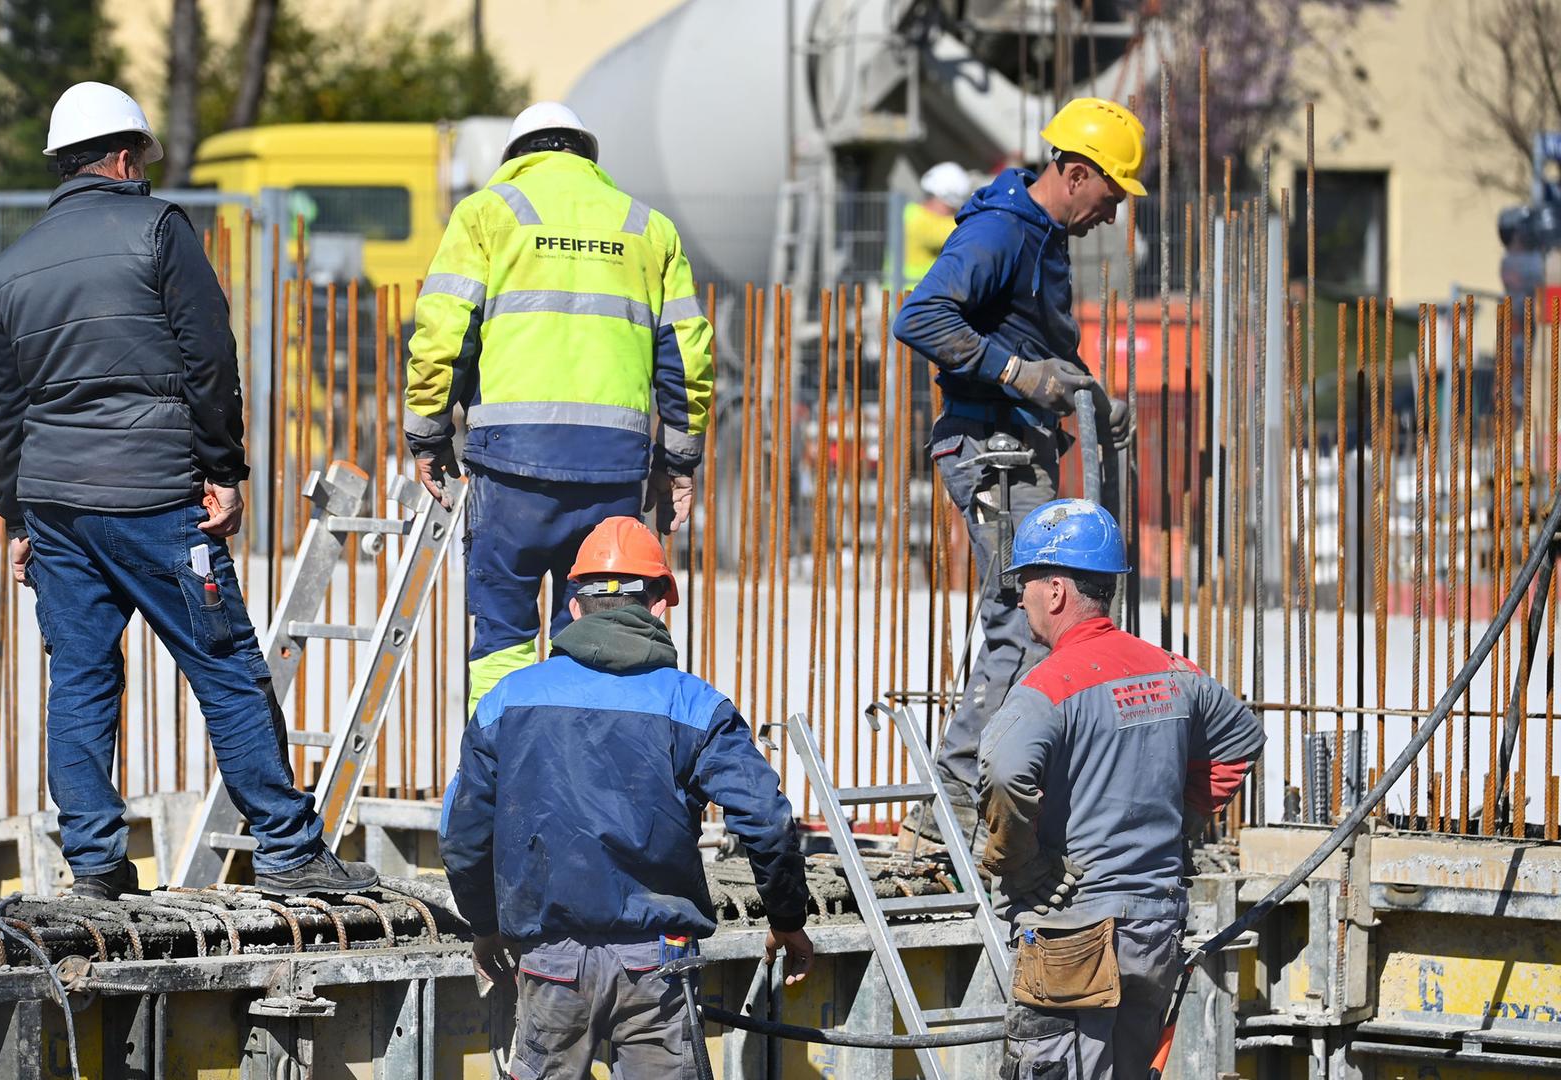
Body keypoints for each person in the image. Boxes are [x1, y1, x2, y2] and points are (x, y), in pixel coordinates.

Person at [0, 81, 376, 899]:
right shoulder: (160, 229)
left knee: (80, 681)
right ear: (126, 157)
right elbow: (209, 360)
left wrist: (16, 516)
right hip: (155, 499)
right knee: (226, 666)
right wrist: (223, 471)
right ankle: (288, 850)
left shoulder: (14, 264)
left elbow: (7, 407)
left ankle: (95, 867)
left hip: (55, 507)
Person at [438, 517, 813, 1078]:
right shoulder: (695, 705)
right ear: (660, 606)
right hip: (659, 962)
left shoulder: (507, 699)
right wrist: (786, 917)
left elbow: (462, 831)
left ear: (573, 608)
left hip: (551, 963)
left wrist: (484, 925)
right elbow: (766, 819)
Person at [404, 101, 715, 714]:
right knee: (599, 637)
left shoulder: (487, 214)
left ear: (515, 157)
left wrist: (428, 434)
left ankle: (498, 761)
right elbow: (687, 356)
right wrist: (678, 464)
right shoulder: (648, 228)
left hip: (511, 469)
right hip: (612, 472)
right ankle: (582, 767)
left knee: (502, 637)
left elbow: (444, 334)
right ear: (587, 154)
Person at [894, 97, 1146, 842]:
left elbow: (1039, 346)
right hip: (989, 448)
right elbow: (920, 316)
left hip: (1018, 445)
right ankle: (950, 810)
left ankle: (983, 799)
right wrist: (1016, 375)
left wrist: (1091, 396)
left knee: (1040, 618)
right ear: (1077, 173)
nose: (1113, 213)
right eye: (1112, 193)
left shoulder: (1043, 237)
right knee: (1028, 620)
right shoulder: (1003, 229)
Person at [976, 500, 1263, 1078]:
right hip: (1155, 928)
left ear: (1056, 590)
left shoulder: (1048, 686)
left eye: (1025, 582)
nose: (1020, 598)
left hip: (1074, 931)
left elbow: (1003, 773)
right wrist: (1179, 821)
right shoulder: (1171, 670)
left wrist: (1020, 863)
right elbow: (1241, 738)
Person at [897, 161, 977, 290]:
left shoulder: (910, 212)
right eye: (951, 208)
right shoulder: (920, 220)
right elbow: (967, 232)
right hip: (913, 294)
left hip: (911, 293)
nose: (953, 212)